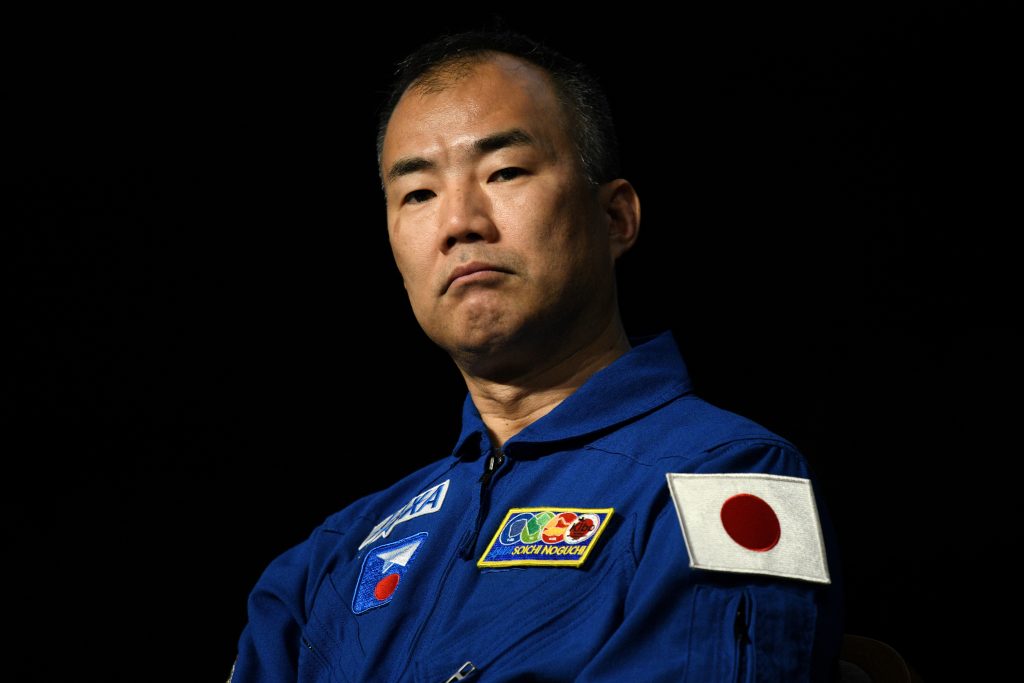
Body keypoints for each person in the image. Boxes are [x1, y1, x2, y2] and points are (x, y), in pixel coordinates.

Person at [231, 29, 843, 682]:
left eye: (504, 172)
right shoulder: (329, 558)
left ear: (615, 218)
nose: (460, 222)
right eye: (418, 194)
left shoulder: (726, 479)